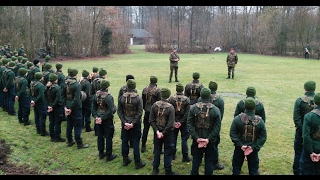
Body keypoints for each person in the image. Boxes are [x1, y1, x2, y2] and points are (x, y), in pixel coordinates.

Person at [187, 87, 221, 175]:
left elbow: (189, 124)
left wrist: (197, 138)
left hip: (196, 141)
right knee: (209, 162)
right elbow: (217, 128)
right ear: (209, 96)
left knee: (196, 161)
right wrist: (208, 139)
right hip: (210, 141)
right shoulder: (216, 110)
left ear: (201, 96)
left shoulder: (193, 108)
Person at [229, 97, 267, 175]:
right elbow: (263, 137)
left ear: (244, 106)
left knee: (236, 169)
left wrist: (240, 144)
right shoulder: (260, 121)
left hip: (239, 148)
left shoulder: (237, 119)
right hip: (253, 149)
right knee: (253, 170)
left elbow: (233, 133)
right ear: (254, 107)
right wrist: (253, 147)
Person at [117, 79, 146, 169]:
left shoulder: (122, 97)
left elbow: (119, 111)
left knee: (125, 140)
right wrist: (133, 123)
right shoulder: (138, 98)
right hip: (135, 123)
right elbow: (140, 112)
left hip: (125, 123)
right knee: (136, 141)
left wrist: (124, 121)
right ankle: (137, 162)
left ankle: (125, 159)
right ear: (134, 87)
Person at [149, 87, 178, 175]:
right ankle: (167, 170)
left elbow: (151, 120)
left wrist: (157, 131)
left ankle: (155, 169)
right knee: (168, 151)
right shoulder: (171, 108)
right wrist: (163, 132)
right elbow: (170, 123)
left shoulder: (154, 105)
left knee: (157, 150)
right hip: (168, 133)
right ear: (168, 97)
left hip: (157, 132)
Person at [197, 81, 225, 170]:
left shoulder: (200, 99)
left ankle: (199, 161)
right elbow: (220, 116)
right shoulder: (220, 100)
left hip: (201, 126)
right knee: (214, 145)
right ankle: (214, 162)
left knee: (199, 144)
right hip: (214, 127)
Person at [293, 80, 316, 175]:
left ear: (305, 88)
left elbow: (296, 117)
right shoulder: (317, 100)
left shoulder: (300, 100)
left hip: (301, 130)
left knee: (298, 151)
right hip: (315, 132)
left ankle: (297, 170)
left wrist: (301, 128)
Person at [63, 68, 89, 149]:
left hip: (67, 106)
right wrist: (70, 108)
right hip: (76, 107)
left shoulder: (65, 82)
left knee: (69, 124)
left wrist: (66, 107)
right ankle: (79, 143)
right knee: (77, 125)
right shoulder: (77, 84)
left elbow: (62, 96)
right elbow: (77, 98)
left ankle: (70, 140)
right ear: (75, 74)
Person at [92, 79, 117, 161]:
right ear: (107, 87)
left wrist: (96, 117)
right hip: (107, 120)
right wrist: (102, 118)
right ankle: (109, 155)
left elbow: (93, 108)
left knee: (100, 136)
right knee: (109, 137)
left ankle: (101, 153)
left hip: (98, 119)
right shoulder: (109, 97)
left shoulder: (95, 95)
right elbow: (110, 110)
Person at [168, 82, 192, 162]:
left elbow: (170, 112)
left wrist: (174, 121)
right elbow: (187, 113)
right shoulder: (187, 99)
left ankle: (172, 155)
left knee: (173, 138)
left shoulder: (171, 99)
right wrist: (181, 122)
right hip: (184, 122)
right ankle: (185, 156)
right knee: (184, 139)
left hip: (174, 122)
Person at [300, 93, 320, 175]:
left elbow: (306, 136)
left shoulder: (309, 116)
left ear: (315, 102)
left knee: (306, 171)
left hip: (310, 149)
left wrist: (311, 152)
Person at [141, 75, 161, 153]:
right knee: (156, 130)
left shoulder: (144, 89)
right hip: (155, 113)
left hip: (147, 111)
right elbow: (159, 102)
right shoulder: (158, 90)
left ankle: (143, 145)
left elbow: (143, 101)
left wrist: (145, 108)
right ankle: (156, 148)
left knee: (145, 129)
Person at [45, 73, 66, 142]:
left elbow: (45, 97)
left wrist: (49, 106)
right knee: (57, 122)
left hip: (50, 106)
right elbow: (58, 99)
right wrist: (53, 106)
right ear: (56, 80)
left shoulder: (47, 87)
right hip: (57, 107)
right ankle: (57, 137)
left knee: (51, 122)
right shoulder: (57, 88)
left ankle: (52, 136)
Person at [117, 74, 137, 148]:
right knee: (133, 130)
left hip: (124, 111)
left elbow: (119, 99)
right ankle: (131, 142)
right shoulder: (134, 90)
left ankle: (125, 139)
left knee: (124, 128)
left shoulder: (122, 88)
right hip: (132, 112)